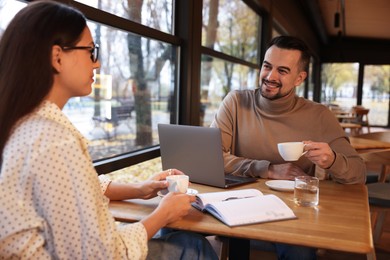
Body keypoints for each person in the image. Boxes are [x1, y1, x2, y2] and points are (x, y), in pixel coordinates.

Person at [0, 1, 218, 259]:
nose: (97, 63)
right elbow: (102, 254)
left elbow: (80, 187)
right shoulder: (52, 140)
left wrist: (141, 188)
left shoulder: (22, 125)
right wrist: (163, 214)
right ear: (57, 57)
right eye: (91, 51)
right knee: (192, 247)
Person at [210, 36, 366, 259]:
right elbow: (213, 158)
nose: (270, 77)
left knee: (299, 252)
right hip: (237, 207)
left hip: (293, 215)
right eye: (267, 66)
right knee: (174, 227)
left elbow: (358, 172)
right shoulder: (235, 102)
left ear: (299, 78)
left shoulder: (319, 116)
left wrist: (332, 160)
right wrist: (268, 169)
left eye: (282, 71)